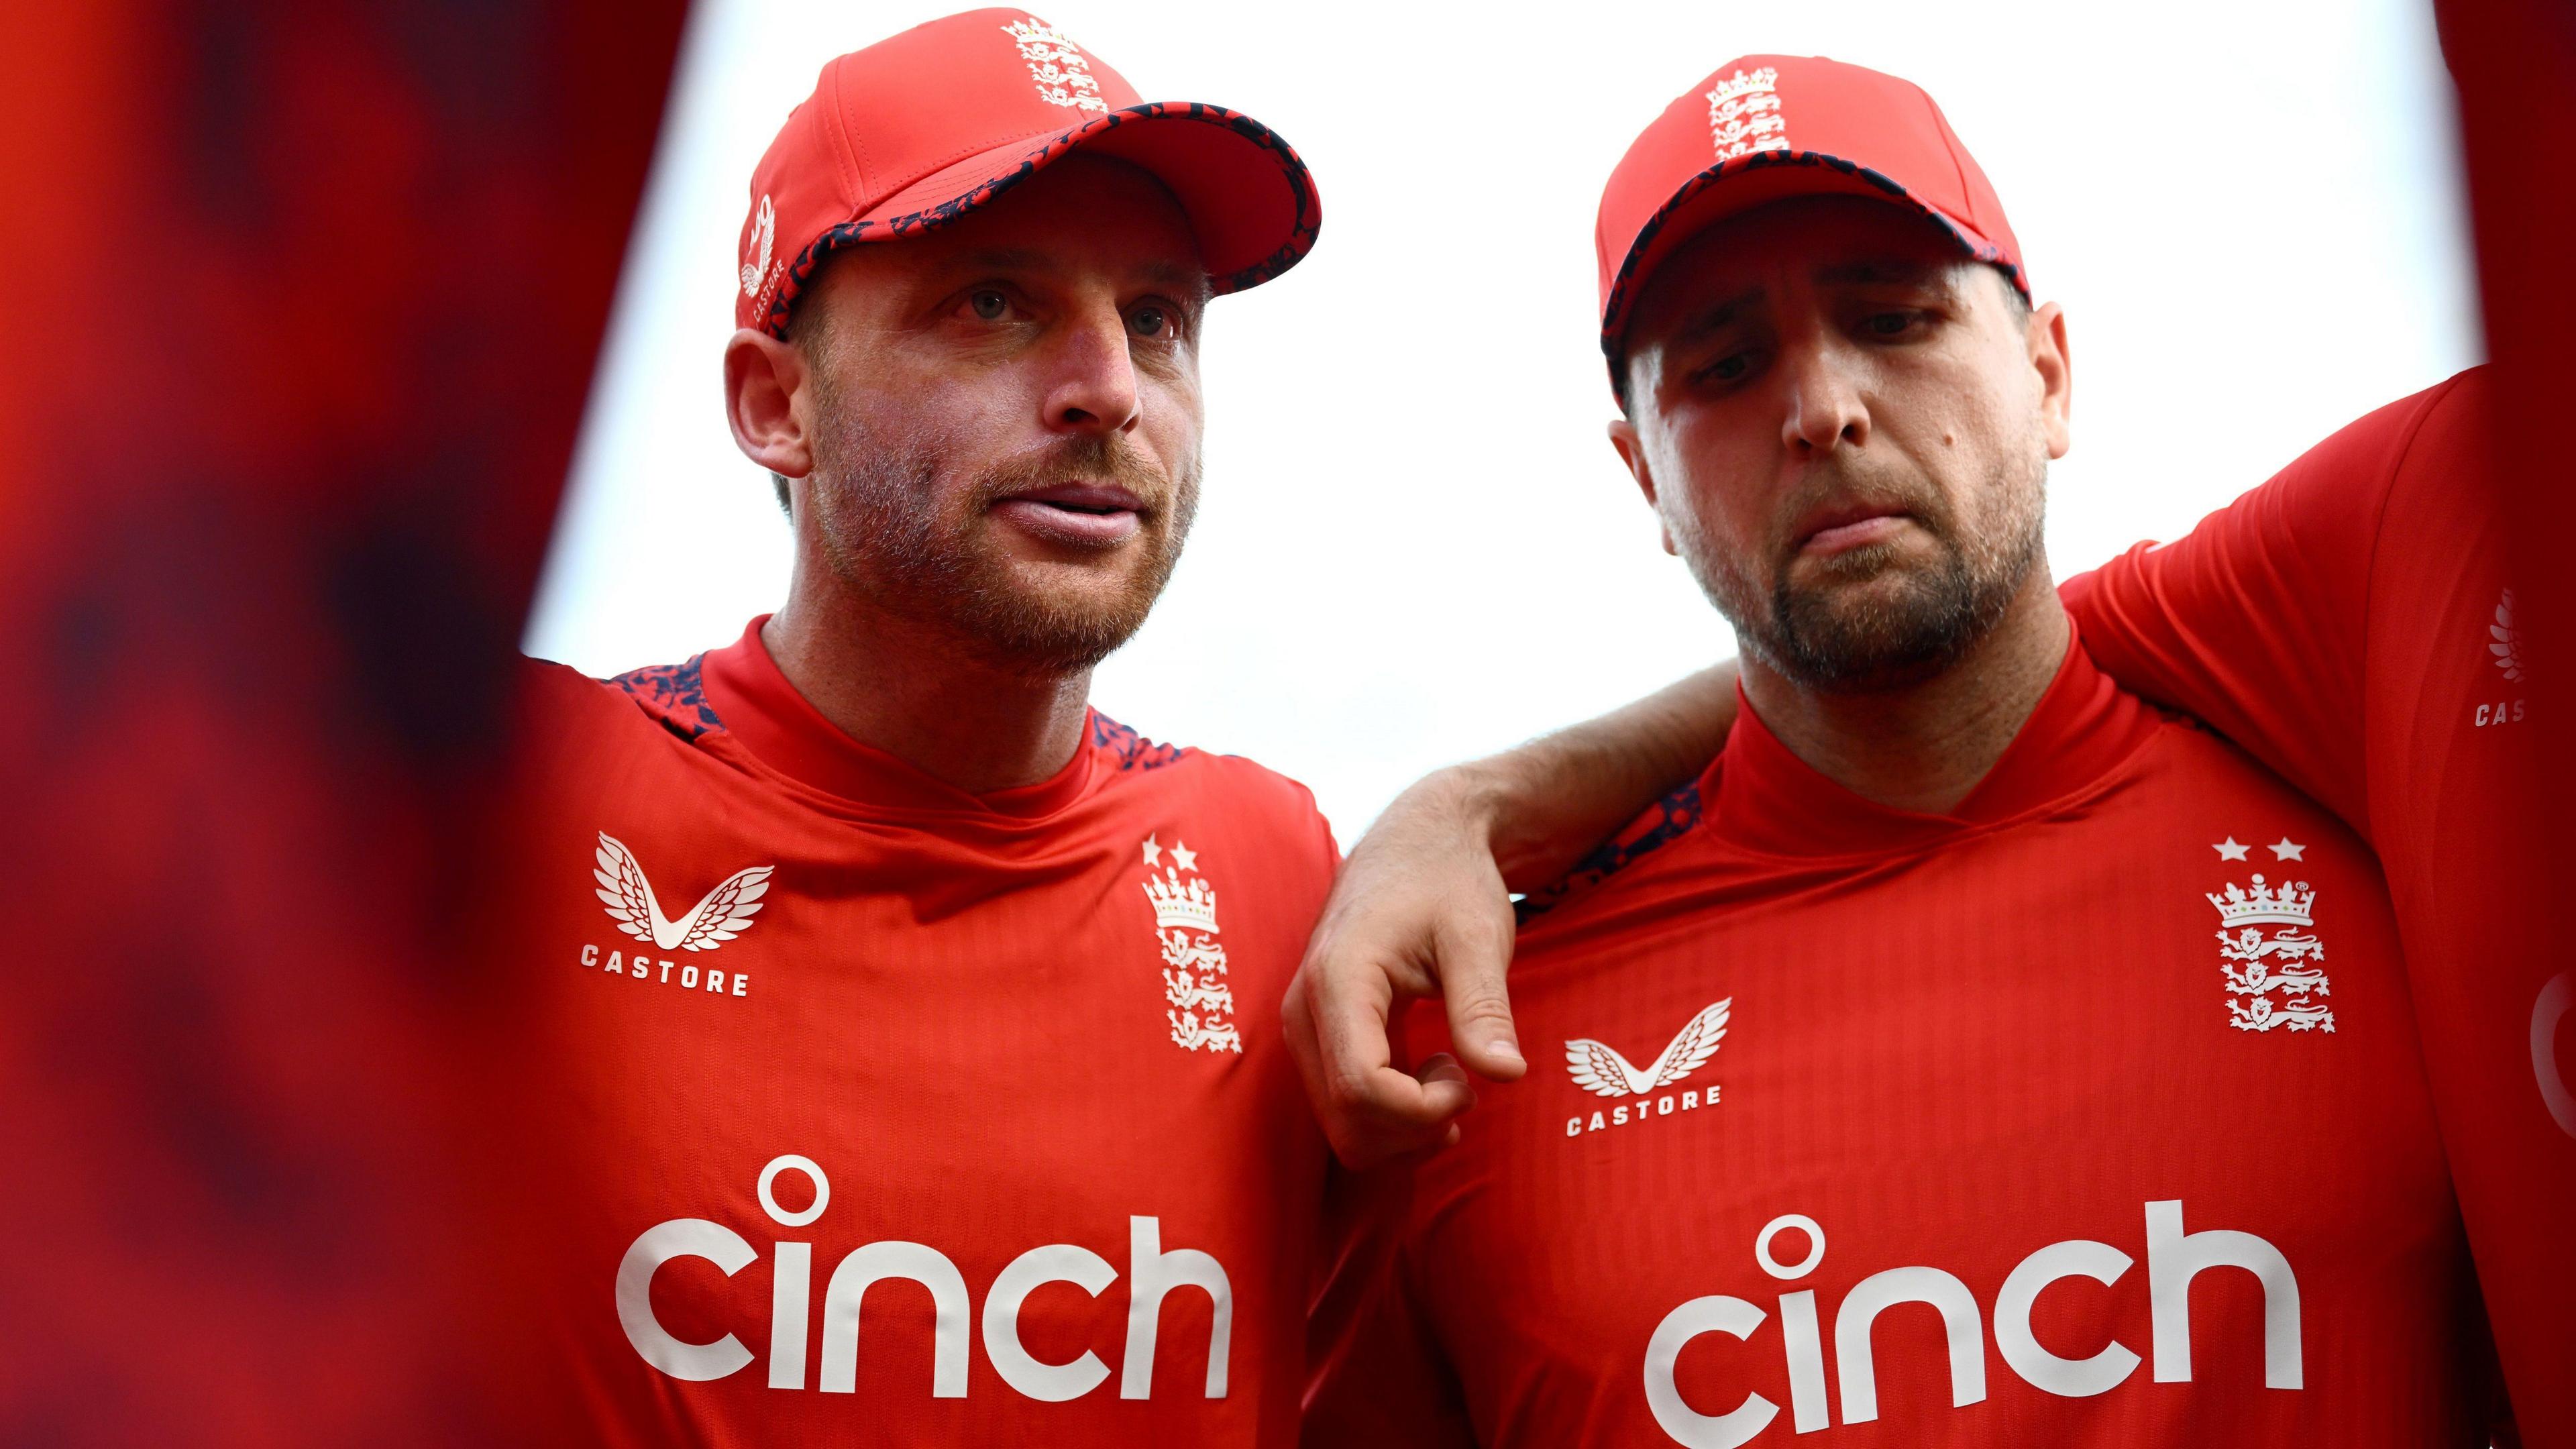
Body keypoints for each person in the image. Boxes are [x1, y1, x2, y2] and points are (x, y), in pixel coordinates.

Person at [1300, 56, 2504, 1444]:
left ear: (2051, 377)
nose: (1824, 406)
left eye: (1893, 316)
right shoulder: (1467, 1057)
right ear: (1649, 482)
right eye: (1728, 366)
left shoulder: (2371, 829)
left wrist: (1489, 793)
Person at [487, 11, 1336, 1443]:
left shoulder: (1284, 870)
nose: (1110, 390)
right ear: (776, 404)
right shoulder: (500, 791)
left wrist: (1488, 800)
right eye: (990, 303)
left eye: (1158, 320)